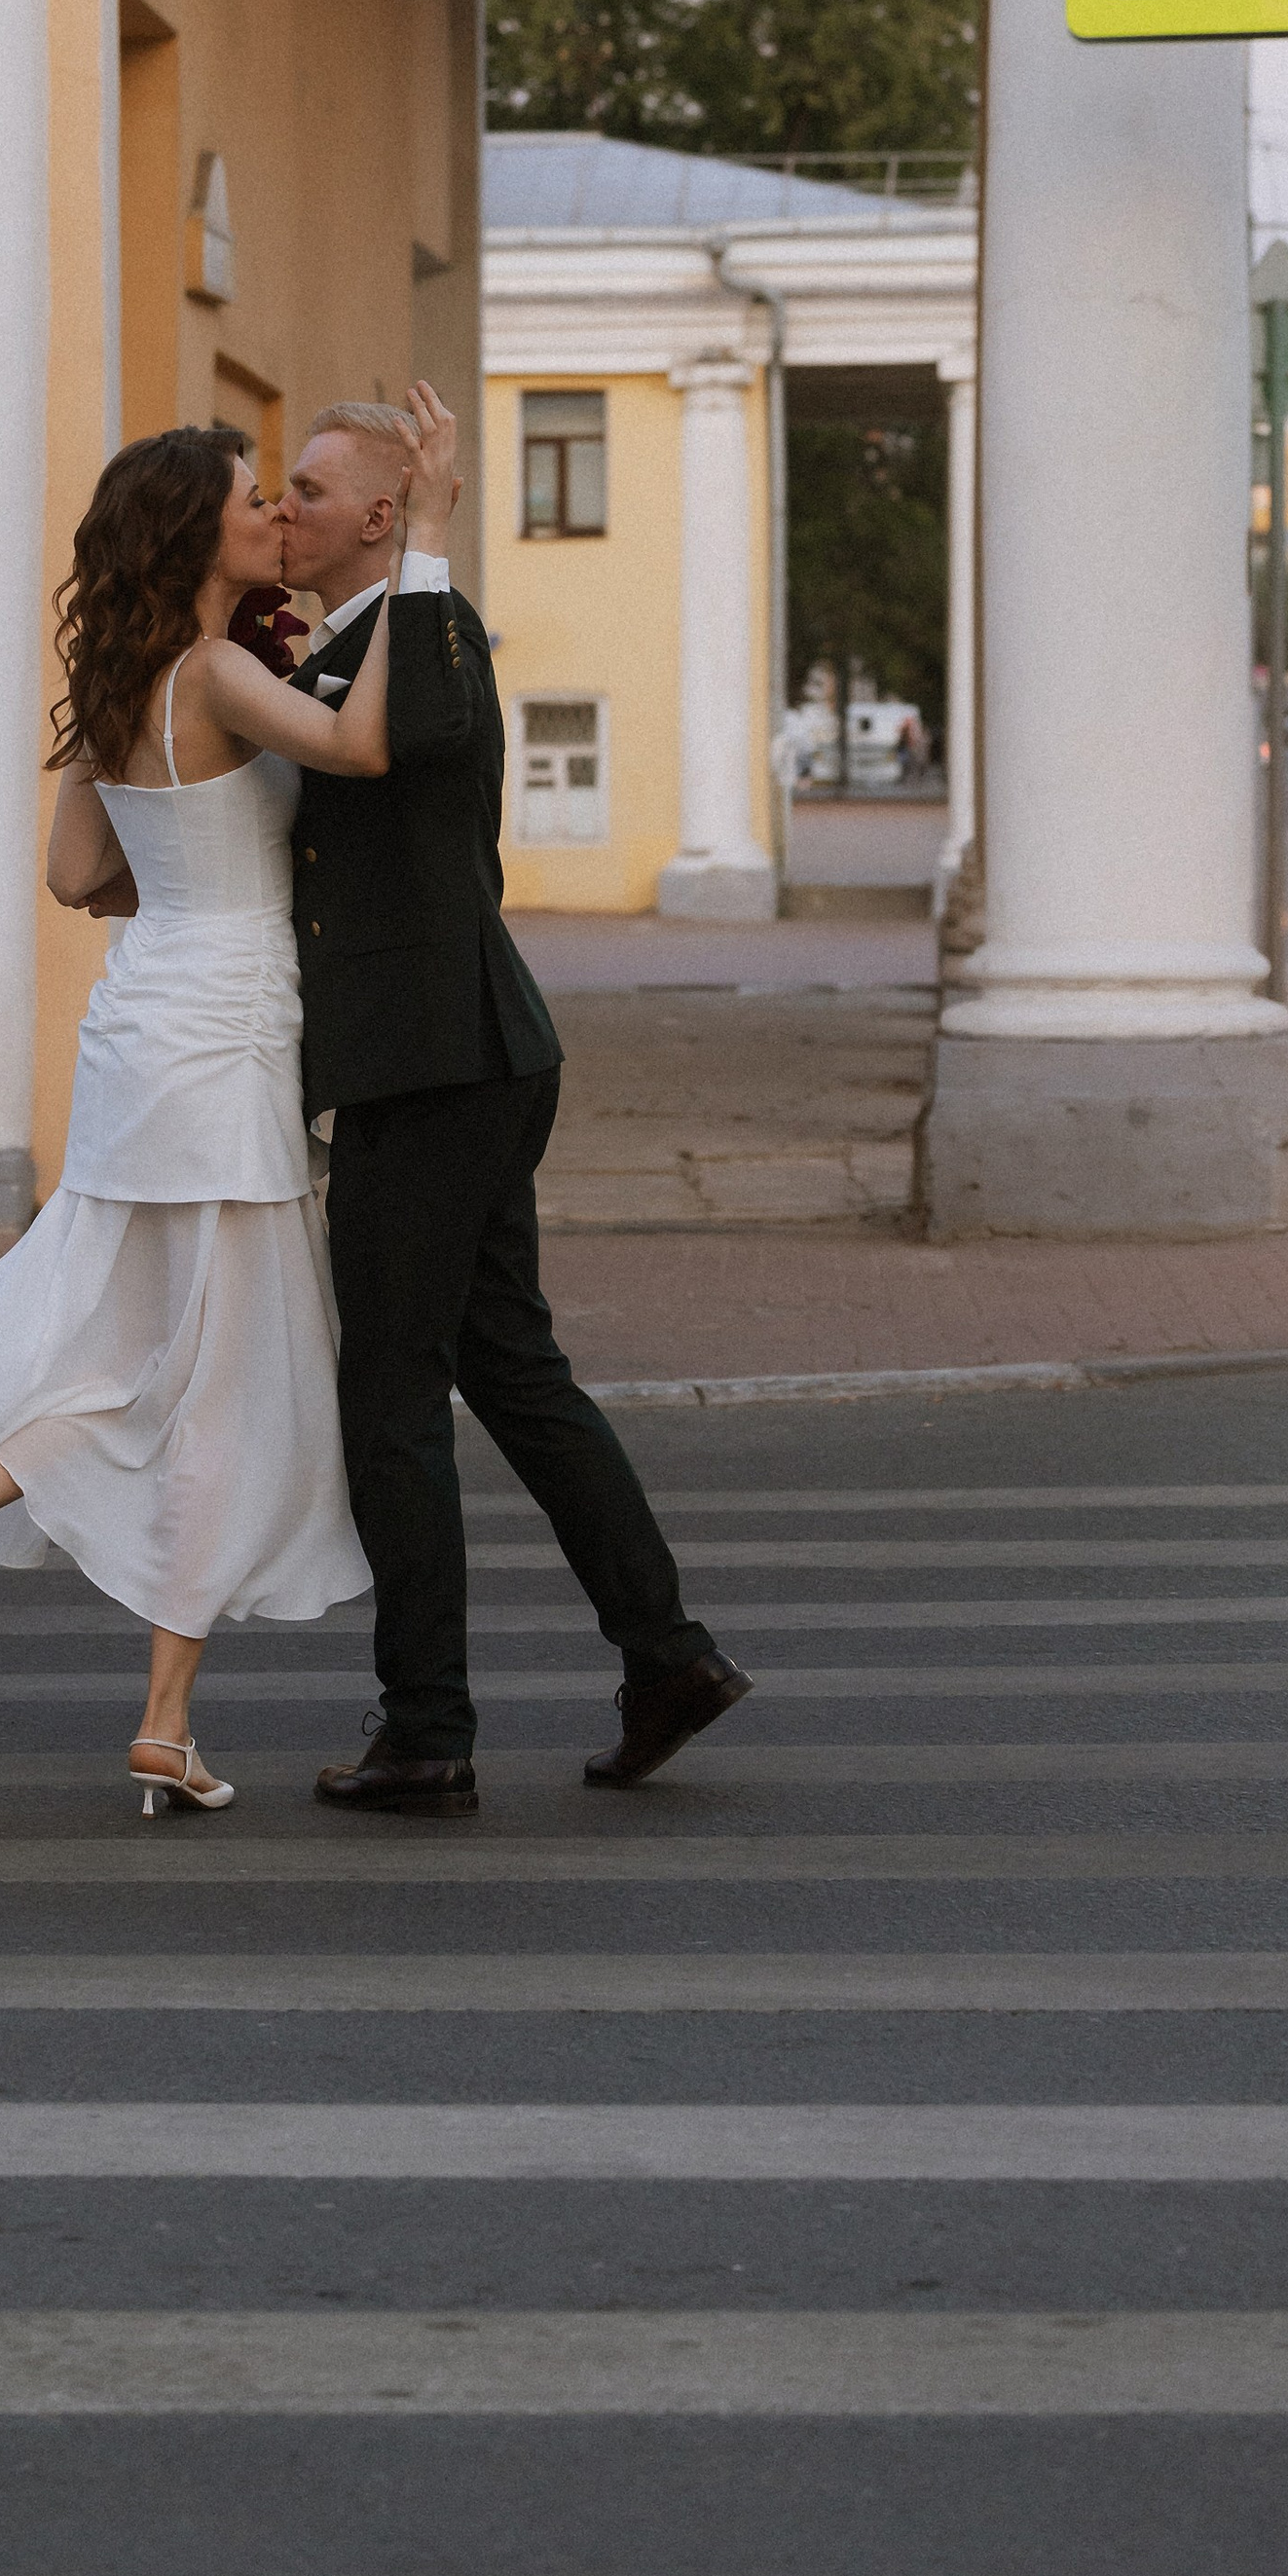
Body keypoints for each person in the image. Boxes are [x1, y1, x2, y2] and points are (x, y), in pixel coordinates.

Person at [0, 402, 459, 1811]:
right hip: (220, 1049)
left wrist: (204, 874)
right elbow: (364, 749)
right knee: (205, 1387)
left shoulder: (127, 682)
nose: (274, 513)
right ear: (196, 531)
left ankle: (150, 1713)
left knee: (155, 1368)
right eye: (251, 499)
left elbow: (79, 876)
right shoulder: (212, 668)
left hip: (148, 1030)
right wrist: (430, 544)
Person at [280, 390, 753, 1813]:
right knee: (514, 1375)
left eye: (309, 488)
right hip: (451, 1058)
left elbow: (414, 740)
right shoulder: (340, 649)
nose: (284, 505)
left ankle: (426, 1728)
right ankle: (666, 1656)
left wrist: (434, 535)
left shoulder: (429, 632)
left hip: (438, 1067)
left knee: (389, 1402)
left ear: (377, 513)